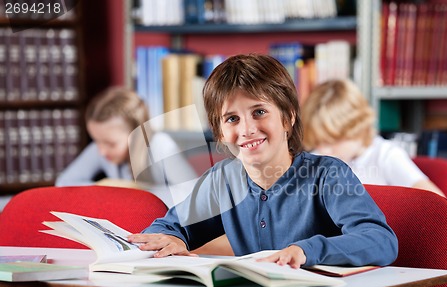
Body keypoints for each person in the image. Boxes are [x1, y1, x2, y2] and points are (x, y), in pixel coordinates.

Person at [128, 54, 398, 268]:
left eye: (259, 112)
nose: (246, 129)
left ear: (288, 116)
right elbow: (168, 226)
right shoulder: (222, 180)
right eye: (232, 119)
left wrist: (306, 250)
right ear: (220, 132)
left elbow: (381, 241)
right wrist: (173, 239)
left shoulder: (328, 174)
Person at [55, 86, 197, 207]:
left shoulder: (161, 145)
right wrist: (106, 188)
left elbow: (194, 196)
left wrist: (135, 192)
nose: (101, 151)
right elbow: (64, 182)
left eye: (111, 144)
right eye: (96, 141)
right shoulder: (103, 146)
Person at [301, 79, 444, 196]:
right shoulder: (318, 159)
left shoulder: (385, 156)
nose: (323, 150)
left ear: (356, 129)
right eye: (318, 141)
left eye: (331, 141)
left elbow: (440, 205)